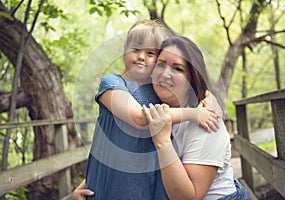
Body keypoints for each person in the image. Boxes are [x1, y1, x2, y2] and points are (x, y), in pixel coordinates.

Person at [78, 20, 221, 200]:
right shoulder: (112, 84)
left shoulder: (155, 89)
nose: (141, 57)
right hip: (115, 176)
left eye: (150, 53)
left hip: (145, 179)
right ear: (125, 49)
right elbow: (140, 118)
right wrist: (193, 114)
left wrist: (208, 97)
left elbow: (188, 86)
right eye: (136, 49)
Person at [143, 36, 251, 199]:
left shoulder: (206, 122)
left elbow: (188, 197)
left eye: (177, 69)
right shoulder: (155, 103)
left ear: (192, 78)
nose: (165, 74)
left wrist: (162, 141)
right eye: (161, 64)